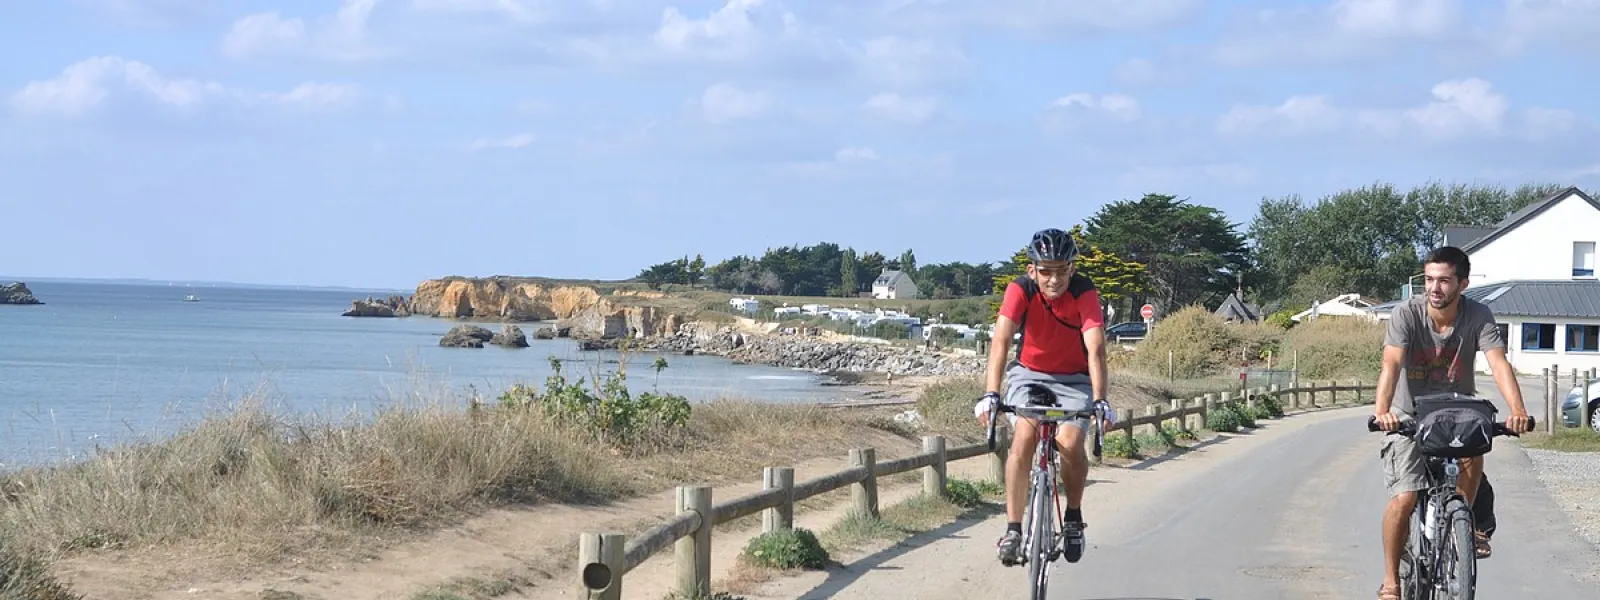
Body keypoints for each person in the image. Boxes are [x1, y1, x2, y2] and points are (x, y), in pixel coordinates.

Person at [1371, 246, 1532, 600]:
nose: (1434, 288)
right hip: (1408, 415)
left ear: (1463, 283)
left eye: (1444, 280)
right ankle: (1391, 580)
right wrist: (1383, 411)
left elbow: (1499, 363)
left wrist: (1517, 410)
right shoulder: (1406, 315)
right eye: (1429, 280)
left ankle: (1464, 525)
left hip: (1457, 410)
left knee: (1474, 455)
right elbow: (1391, 364)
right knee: (1405, 496)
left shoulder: (1478, 315)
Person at [973, 228, 1113, 567]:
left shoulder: (1084, 292)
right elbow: (1001, 343)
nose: (1053, 279)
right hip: (1029, 374)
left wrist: (1100, 400)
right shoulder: (1020, 289)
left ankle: (1074, 518)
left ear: (1072, 269)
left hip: (1075, 378)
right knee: (1023, 435)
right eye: (1045, 270)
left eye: (1061, 270)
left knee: (1070, 442)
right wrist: (991, 394)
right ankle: (1014, 529)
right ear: (1032, 269)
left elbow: (1096, 348)